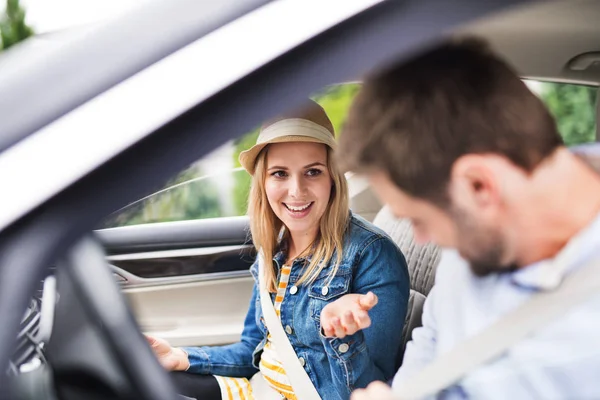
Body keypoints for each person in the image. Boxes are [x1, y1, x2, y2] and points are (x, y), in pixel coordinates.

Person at [329, 37, 600, 399]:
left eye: (419, 219)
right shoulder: (475, 244)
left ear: (478, 185)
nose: (420, 239)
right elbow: (435, 341)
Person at [146, 99, 410, 400]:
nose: (296, 191)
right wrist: (181, 356)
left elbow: (367, 394)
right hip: (257, 390)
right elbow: (252, 350)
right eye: (280, 173)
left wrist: (341, 336)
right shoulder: (275, 248)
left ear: (333, 179)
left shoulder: (372, 256)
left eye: (313, 172)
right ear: (263, 182)